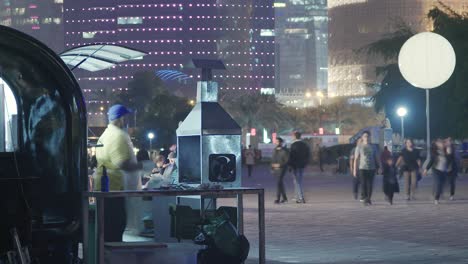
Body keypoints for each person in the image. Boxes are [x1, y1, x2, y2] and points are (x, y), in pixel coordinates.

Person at [94, 104, 142, 242]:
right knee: (115, 227)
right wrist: (143, 166)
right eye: (126, 117)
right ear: (121, 118)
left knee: (106, 231)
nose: (127, 120)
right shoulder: (118, 136)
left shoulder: (104, 135)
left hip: (103, 189)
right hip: (114, 190)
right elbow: (122, 163)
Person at [353, 131, 380, 206]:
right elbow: (356, 159)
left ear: (370, 137)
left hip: (372, 168)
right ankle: (365, 198)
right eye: (365, 136)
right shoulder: (359, 147)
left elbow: (377, 158)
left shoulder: (374, 147)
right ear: (362, 137)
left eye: (368, 136)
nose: (366, 138)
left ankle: (368, 198)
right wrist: (354, 170)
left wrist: (380, 167)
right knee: (363, 184)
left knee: (370, 185)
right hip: (362, 168)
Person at [288, 131, 310, 204]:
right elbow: (307, 155)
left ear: (294, 136)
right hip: (302, 165)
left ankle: (301, 197)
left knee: (297, 182)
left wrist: (290, 165)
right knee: (298, 181)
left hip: (295, 165)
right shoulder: (304, 145)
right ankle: (296, 197)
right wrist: (305, 163)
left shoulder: (293, 145)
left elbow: (291, 156)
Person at [424, 139, 448, 205]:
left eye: (441, 143)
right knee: (438, 183)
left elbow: (449, 158)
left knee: (443, 184)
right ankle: (436, 199)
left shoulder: (445, 150)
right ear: (437, 144)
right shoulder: (434, 151)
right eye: (439, 143)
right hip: (436, 170)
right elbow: (431, 161)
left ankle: (438, 194)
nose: (441, 144)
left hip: (444, 170)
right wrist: (426, 169)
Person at [271, 137, 289, 204]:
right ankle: (284, 198)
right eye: (276, 141)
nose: (276, 143)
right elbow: (272, 159)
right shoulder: (275, 150)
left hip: (282, 169)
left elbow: (287, 160)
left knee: (279, 183)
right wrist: (272, 167)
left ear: (281, 142)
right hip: (275, 169)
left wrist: (279, 165)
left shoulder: (285, 150)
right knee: (280, 183)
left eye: (278, 141)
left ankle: (277, 198)